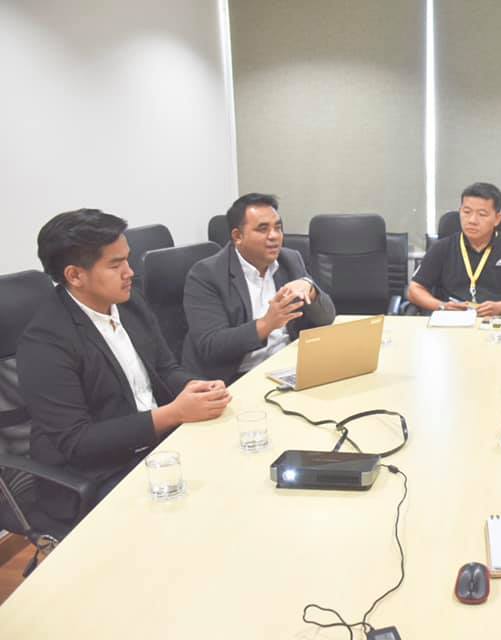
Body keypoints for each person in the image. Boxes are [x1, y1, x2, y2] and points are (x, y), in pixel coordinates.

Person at [18, 209, 231, 523]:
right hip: (97, 474)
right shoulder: (45, 342)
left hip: (157, 445)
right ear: (75, 276)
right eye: (115, 265)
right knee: (192, 518)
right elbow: (78, 442)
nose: (130, 272)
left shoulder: (129, 304)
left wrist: (193, 386)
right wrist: (174, 413)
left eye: (127, 260)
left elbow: (164, 368)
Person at [182, 193, 336, 383]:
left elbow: (327, 317)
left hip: (286, 367)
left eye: (277, 228)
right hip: (236, 378)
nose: (274, 236)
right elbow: (211, 345)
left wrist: (310, 288)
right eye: (263, 229)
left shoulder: (289, 260)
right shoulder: (206, 274)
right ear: (237, 236)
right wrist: (266, 324)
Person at [407, 182, 501, 317]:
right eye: (466, 212)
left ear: (497, 218)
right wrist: (442, 306)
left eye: (482, 214)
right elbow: (414, 290)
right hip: (452, 320)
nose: (472, 220)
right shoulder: (442, 247)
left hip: (498, 320)